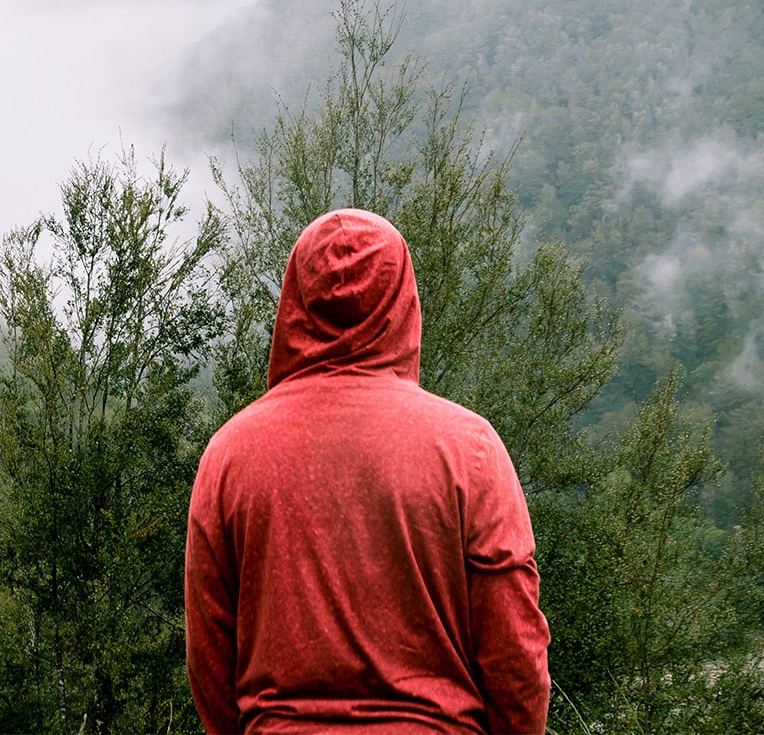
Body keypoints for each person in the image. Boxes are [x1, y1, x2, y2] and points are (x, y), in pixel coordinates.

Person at [185, 208, 550, 733]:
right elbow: (515, 653)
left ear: (295, 302)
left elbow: (210, 659)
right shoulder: (469, 449)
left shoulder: (229, 455)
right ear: (402, 301)